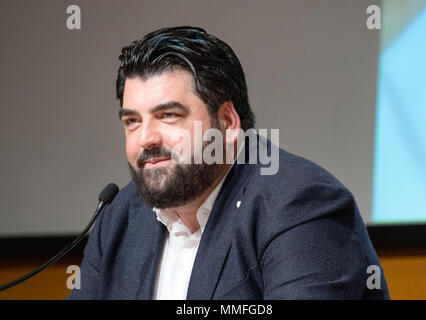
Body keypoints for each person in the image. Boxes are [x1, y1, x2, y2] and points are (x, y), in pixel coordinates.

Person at [68, 26, 390, 300]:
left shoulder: (301, 204)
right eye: (133, 122)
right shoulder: (121, 215)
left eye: (169, 116)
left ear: (227, 121)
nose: (145, 139)